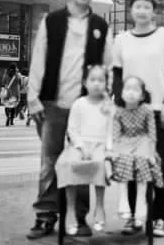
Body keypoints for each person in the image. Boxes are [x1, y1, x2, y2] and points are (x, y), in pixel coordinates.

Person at [27, 0, 113, 240]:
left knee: (84, 162)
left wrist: (107, 98)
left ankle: (79, 217)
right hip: (52, 104)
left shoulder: (101, 27)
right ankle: (45, 216)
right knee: (49, 163)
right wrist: (32, 97)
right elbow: (39, 59)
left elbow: (108, 67)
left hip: (87, 107)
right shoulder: (52, 21)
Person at [112, 0, 164, 238]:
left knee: (157, 163)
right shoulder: (121, 39)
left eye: (146, 7)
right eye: (137, 6)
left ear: (153, 12)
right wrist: (118, 105)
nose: (141, 11)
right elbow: (117, 75)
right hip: (129, 112)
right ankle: (134, 216)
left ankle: (160, 217)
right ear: (131, 10)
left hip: (157, 111)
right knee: (130, 163)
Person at [55, 65, 114, 235]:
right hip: (80, 145)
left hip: (100, 145)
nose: (96, 84)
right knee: (68, 164)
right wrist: (81, 147)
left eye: (101, 80)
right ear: (85, 82)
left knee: (101, 165)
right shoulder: (79, 104)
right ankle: (71, 209)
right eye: (92, 80)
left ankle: (99, 206)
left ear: (106, 83)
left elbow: (111, 130)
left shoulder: (108, 106)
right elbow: (72, 129)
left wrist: (109, 149)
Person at [111, 76, 163, 232]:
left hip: (142, 142)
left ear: (142, 95)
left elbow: (152, 134)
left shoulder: (147, 110)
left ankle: (141, 203)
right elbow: (116, 134)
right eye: (127, 89)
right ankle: (123, 199)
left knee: (143, 162)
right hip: (124, 142)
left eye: (135, 89)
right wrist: (115, 150)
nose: (131, 93)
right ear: (121, 93)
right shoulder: (118, 112)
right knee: (123, 160)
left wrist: (151, 152)